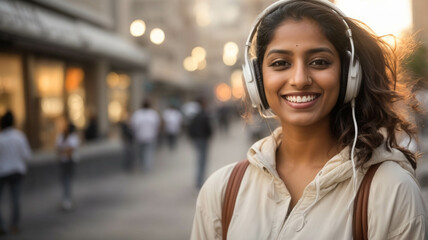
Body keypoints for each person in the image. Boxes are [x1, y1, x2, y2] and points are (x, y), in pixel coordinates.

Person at [191, 1, 427, 239]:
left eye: (319, 62)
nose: (300, 79)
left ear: (349, 75)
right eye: (280, 63)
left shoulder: (391, 190)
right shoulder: (221, 191)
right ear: (256, 80)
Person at [0, 111, 32, 235]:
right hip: (17, 171)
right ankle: (15, 224)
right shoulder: (20, 136)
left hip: (2, 171)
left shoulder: (1, 138)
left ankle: (2, 225)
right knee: (15, 199)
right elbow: (27, 155)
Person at [188, 98, 213, 189]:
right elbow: (209, 128)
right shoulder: (205, 115)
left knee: (200, 159)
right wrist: (209, 136)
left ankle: (199, 180)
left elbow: (190, 129)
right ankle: (200, 181)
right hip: (203, 139)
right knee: (202, 160)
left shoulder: (195, 116)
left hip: (197, 139)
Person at [130, 99, 161, 172]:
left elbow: (133, 125)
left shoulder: (137, 114)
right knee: (148, 152)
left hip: (139, 136)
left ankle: (143, 166)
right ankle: (147, 167)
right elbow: (157, 125)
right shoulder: (153, 114)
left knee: (141, 152)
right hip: (150, 136)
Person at [56, 119, 80, 211]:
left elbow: (67, 152)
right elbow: (60, 151)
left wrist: (63, 151)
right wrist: (65, 151)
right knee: (66, 181)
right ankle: (66, 199)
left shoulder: (70, 137)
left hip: (67, 161)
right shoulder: (65, 137)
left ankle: (66, 199)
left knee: (66, 181)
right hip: (66, 161)